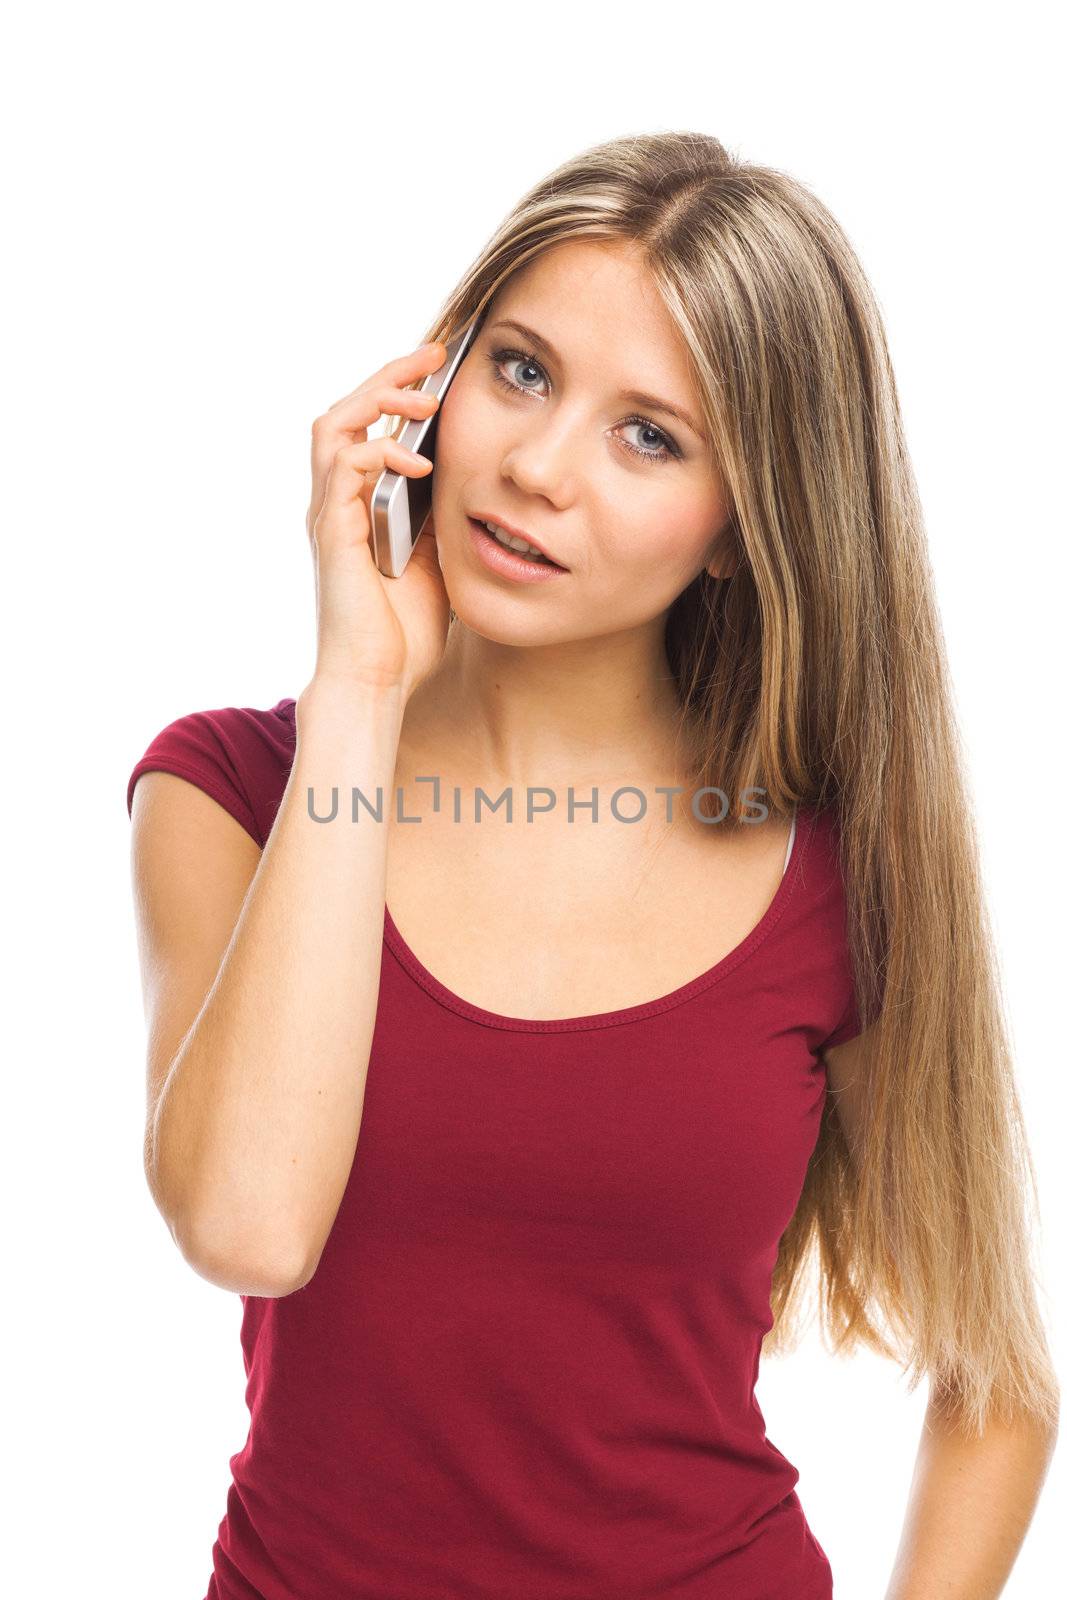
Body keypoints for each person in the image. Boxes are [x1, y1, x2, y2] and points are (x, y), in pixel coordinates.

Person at [126, 130, 1059, 1600]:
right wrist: (360, 694)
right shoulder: (231, 793)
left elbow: (997, 1377)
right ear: (434, 379)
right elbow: (248, 1225)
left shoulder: (831, 882)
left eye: (651, 436)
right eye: (522, 370)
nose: (537, 470)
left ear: (746, 528)